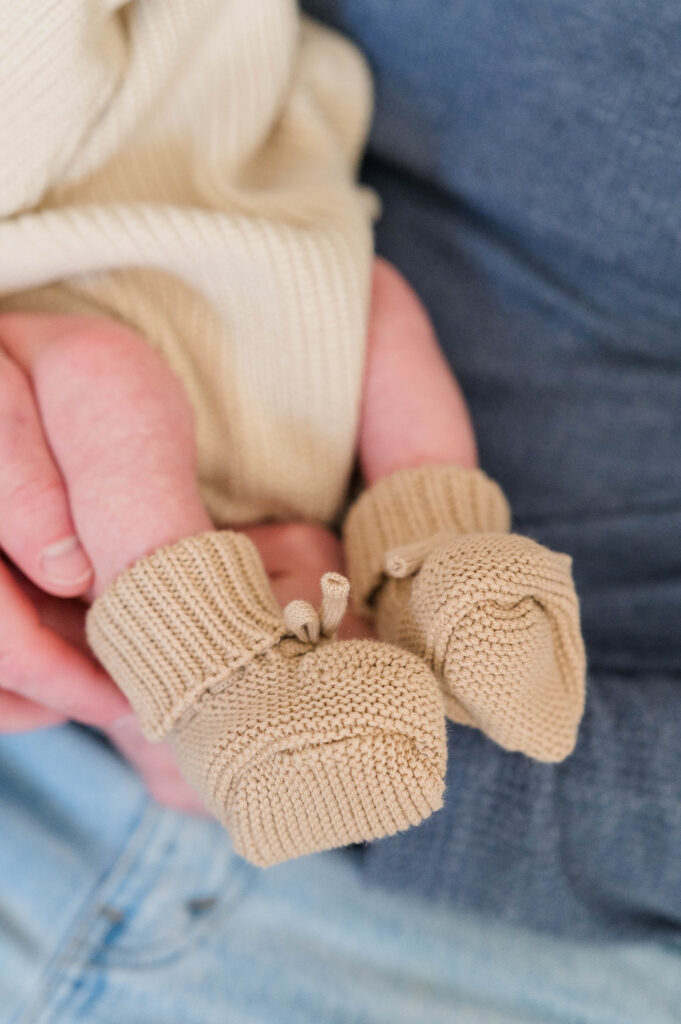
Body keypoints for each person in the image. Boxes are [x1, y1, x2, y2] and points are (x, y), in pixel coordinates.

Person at [2, 1, 680, 1021]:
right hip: (115, 360)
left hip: (267, 285)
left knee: (380, 317)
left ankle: (438, 586)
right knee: (126, 377)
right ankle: (249, 670)